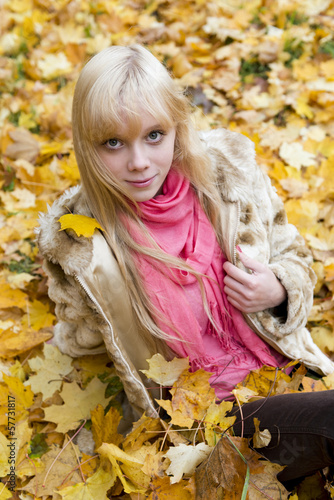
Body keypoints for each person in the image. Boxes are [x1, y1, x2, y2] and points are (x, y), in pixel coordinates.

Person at [37, 44, 334, 490]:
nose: (138, 162)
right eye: (113, 142)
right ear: (87, 144)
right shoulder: (85, 246)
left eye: (154, 135)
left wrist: (279, 289)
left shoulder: (231, 181)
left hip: (290, 375)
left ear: (177, 126)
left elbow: (295, 255)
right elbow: (81, 348)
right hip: (207, 427)